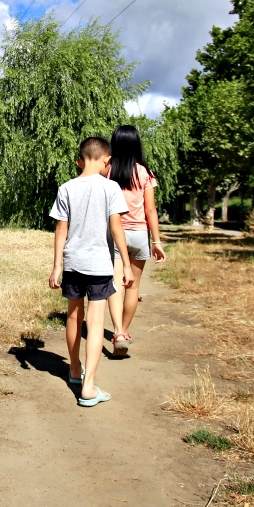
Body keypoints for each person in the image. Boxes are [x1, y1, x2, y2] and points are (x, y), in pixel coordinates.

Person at [48, 136, 134, 407]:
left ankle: (74, 370)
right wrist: (127, 265)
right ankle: (88, 386)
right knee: (95, 323)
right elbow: (117, 228)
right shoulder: (111, 188)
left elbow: (61, 229)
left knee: (74, 317)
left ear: (80, 160)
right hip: (99, 265)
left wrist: (57, 266)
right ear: (107, 161)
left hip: (73, 262)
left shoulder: (66, 188)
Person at [105, 125, 166, 356]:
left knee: (116, 283)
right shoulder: (144, 172)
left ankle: (118, 331)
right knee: (133, 286)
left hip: (114, 232)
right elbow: (151, 210)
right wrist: (157, 242)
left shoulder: (107, 170)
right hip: (140, 234)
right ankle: (126, 330)